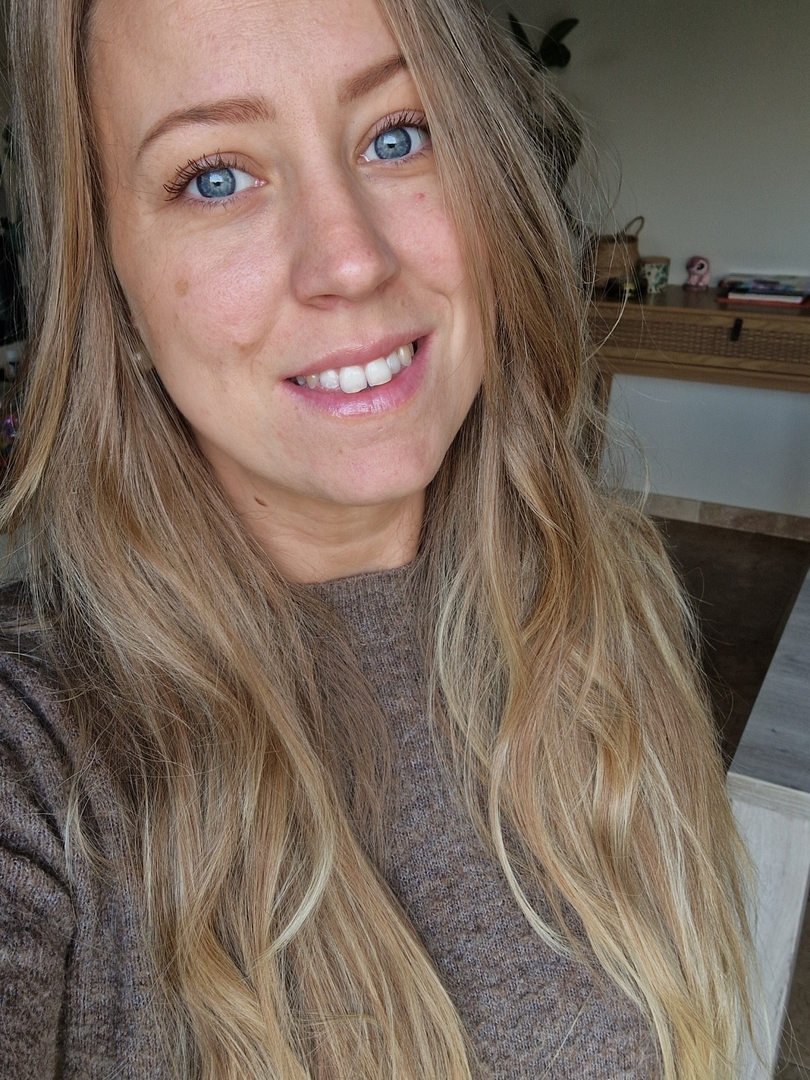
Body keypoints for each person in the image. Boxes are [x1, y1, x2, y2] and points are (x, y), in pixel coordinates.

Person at [0, 0, 754, 1076]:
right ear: (111, 286)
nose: (350, 260)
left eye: (400, 135)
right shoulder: (39, 756)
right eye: (214, 177)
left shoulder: (607, 603)